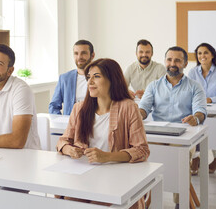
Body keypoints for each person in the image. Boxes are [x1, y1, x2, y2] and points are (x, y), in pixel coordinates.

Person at [55, 58, 150, 209]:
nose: (90, 82)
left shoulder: (129, 107)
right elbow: (63, 141)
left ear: (112, 80)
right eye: (88, 77)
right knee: (67, 199)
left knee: (100, 203)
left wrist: (106, 157)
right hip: (84, 175)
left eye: (96, 76)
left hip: (116, 177)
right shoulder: (79, 108)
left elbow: (142, 150)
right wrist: (69, 149)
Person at [138, 46, 207, 209]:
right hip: (158, 136)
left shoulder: (194, 86)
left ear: (185, 63)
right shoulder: (153, 86)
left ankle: (179, 202)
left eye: (177, 60)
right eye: (169, 59)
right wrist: (137, 115)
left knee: (178, 160)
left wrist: (195, 118)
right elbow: (144, 108)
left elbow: (201, 111)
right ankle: (143, 199)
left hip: (183, 138)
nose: (172, 63)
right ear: (164, 61)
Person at [188, 42, 216, 173]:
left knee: (204, 123)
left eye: (205, 52)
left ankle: (197, 157)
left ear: (212, 55)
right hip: (198, 110)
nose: (202, 56)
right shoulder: (193, 72)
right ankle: (207, 156)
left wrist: (208, 99)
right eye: (199, 53)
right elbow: (188, 93)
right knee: (195, 121)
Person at [49, 40, 95, 115]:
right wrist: (63, 122)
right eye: (76, 53)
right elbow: (53, 106)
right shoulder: (64, 78)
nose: (79, 57)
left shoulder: (100, 78)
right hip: (70, 124)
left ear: (92, 55)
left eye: (83, 53)